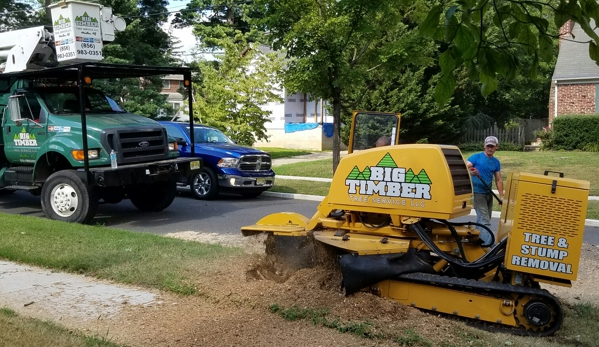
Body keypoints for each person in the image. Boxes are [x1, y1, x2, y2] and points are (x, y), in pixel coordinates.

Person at [466, 136, 503, 244]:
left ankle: (476, 240)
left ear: (496, 147)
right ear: (484, 146)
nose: (490, 148)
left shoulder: (496, 162)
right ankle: (488, 247)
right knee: (484, 220)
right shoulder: (476, 157)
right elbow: (464, 167)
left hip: (488, 193)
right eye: (488, 146)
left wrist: (501, 197)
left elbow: (499, 179)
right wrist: (470, 172)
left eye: (492, 146)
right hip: (477, 193)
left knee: (486, 219)